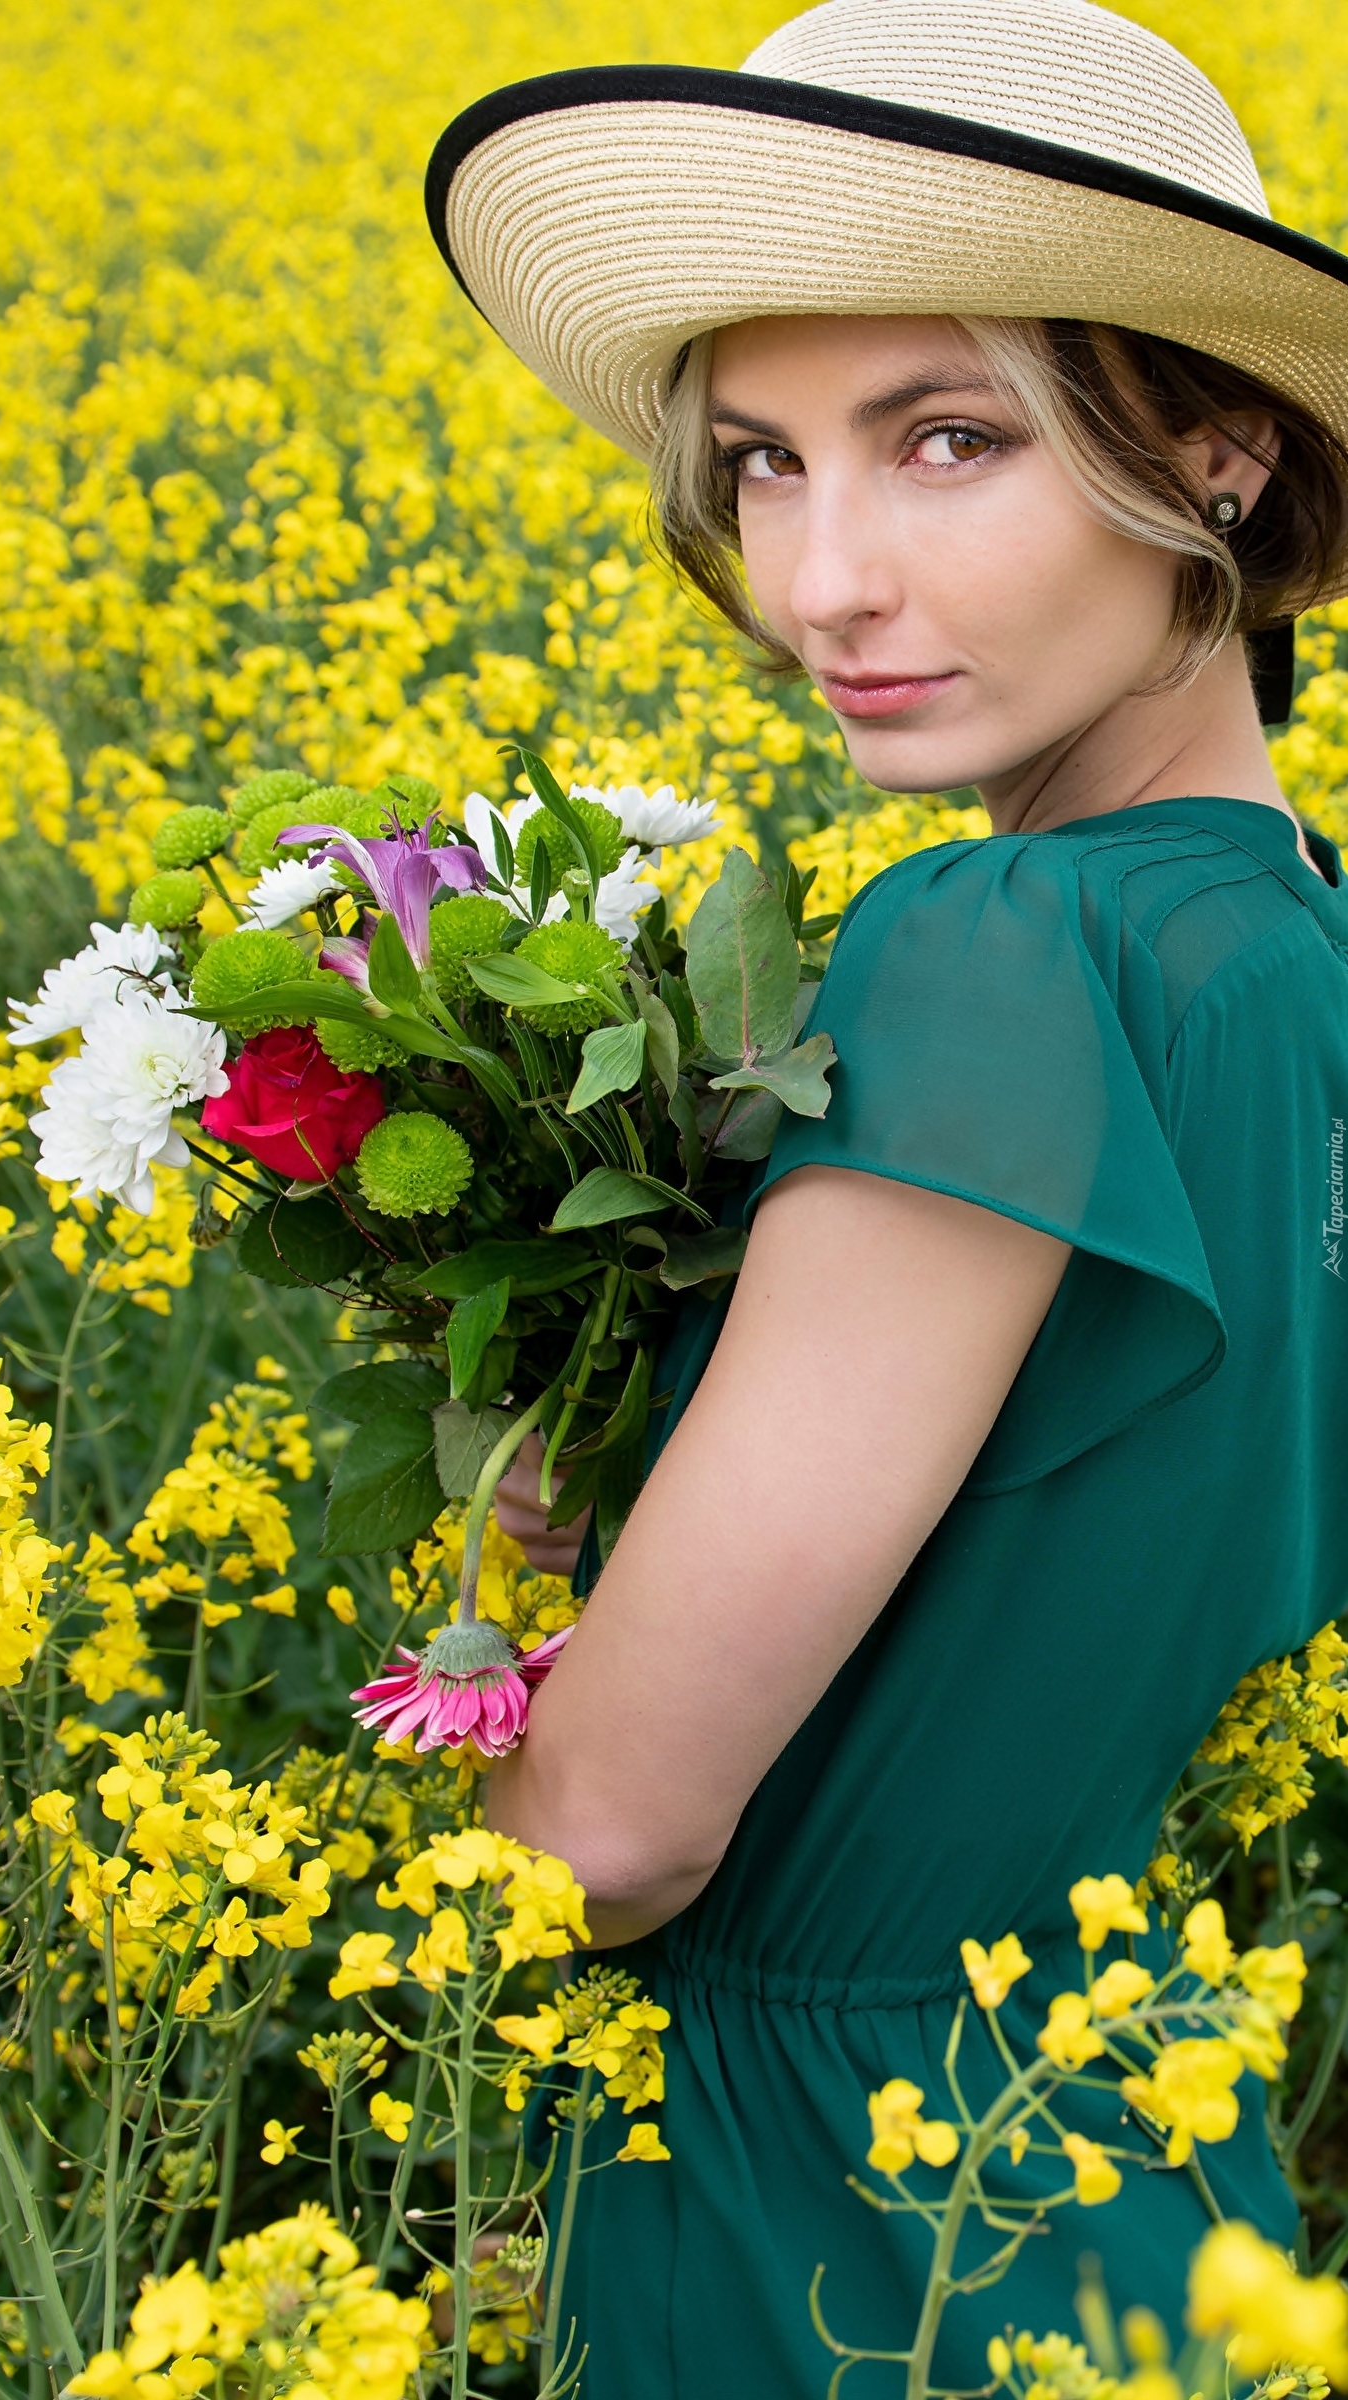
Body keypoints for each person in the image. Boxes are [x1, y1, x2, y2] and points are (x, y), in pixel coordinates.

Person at [425, 0, 1348, 2388]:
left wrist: (472, 1702)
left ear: (1217, 455)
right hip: (1133, 2163)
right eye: (758, 465)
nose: (820, 578)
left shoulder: (990, 951)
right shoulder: (1287, 955)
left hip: (819, 2219)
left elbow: (611, 1830)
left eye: (947, 440)